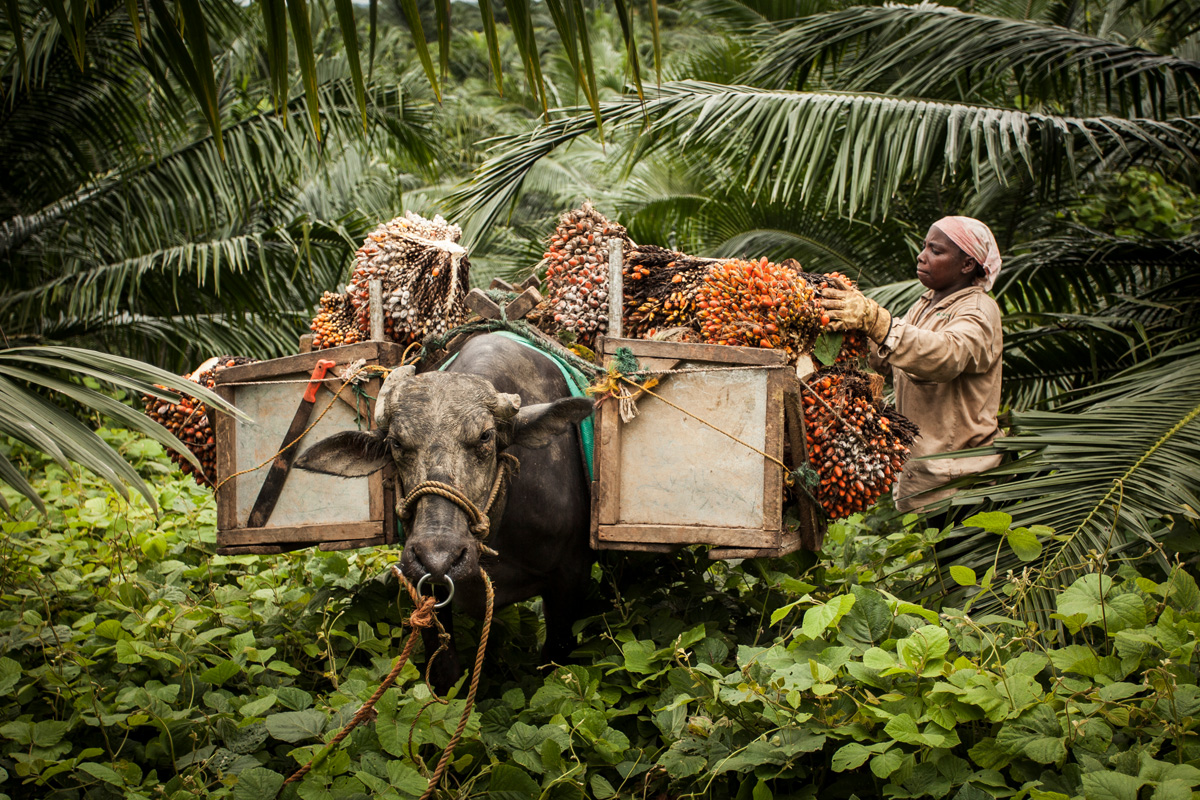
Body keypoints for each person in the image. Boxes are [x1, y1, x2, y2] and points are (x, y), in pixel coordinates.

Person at [819, 216, 1004, 516]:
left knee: (958, 563)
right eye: (924, 247)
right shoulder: (925, 304)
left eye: (936, 250)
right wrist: (853, 327)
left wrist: (875, 320)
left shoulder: (979, 312)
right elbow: (890, 355)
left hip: (961, 485)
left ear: (967, 265)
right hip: (924, 478)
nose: (922, 256)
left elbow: (946, 355)